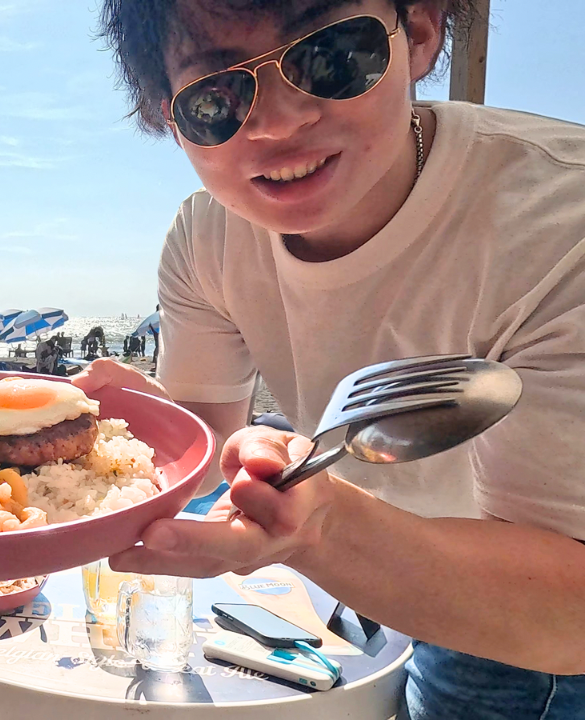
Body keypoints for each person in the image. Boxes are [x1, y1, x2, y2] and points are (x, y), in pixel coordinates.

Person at [82, 1, 585, 716]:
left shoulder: (560, 220)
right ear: (172, 118)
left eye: (330, 55)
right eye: (216, 98)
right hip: (376, 567)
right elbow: (209, 435)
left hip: (526, 624)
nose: (278, 123)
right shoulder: (207, 240)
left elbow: (570, 615)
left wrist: (321, 530)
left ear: (418, 34)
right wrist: (140, 422)